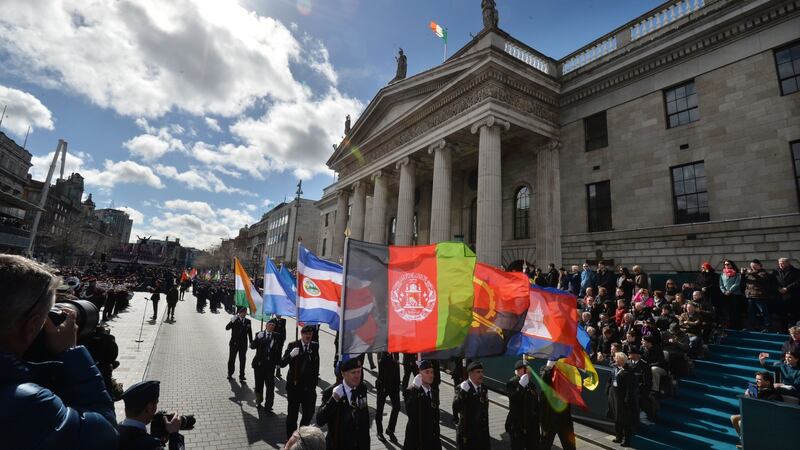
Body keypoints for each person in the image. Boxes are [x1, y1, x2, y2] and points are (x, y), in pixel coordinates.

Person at [0, 255, 118, 450]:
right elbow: (106, 433)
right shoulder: (30, 403)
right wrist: (72, 354)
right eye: (46, 318)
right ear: (30, 327)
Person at [316, 357, 370, 450]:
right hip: (339, 445)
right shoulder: (331, 392)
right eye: (353, 372)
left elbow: (365, 420)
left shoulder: (362, 388)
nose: (357, 376)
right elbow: (320, 420)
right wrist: (334, 399)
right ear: (343, 374)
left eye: (359, 371)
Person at [118, 380, 185, 450]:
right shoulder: (151, 445)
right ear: (149, 408)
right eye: (156, 404)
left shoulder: (114, 432)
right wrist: (174, 434)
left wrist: (157, 440)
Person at [282, 325, 320, 439]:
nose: (308, 336)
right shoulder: (293, 345)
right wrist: (291, 355)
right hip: (294, 387)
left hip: (308, 389)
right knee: (292, 417)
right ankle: (290, 439)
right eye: (306, 334)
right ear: (301, 334)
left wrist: (313, 385)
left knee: (309, 413)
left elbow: (316, 366)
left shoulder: (314, 346)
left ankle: (302, 435)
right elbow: (282, 363)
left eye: (310, 334)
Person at [730, 371, 783, 447]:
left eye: (759, 379)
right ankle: (743, 439)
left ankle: (747, 443)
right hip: (755, 414)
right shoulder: (756, 390)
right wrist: (747, 396)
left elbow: (766, 410)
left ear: (767, 382)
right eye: (756, 379)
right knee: (733, 418)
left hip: (766, 418)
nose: (756, 381)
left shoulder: (773, 395)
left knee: (740, 422)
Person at [403, 360, 441, 450]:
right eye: (427, 372)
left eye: (432, 372)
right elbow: (410, 412)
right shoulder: (411, 391)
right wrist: (415, 388)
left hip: (431, 439)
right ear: (420, 374)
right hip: (416, 439)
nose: (431, 375)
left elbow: (435, 418)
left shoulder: (433, 392)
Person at [453, 360, 490, 450]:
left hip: (482, 433)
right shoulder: (462, 387)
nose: (481, 374)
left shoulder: (483, 388)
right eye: (478, 372)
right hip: (468, 433)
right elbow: (456, 407)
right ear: (470, 374)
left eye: (482, 372)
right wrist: (462, 392)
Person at [539, 363, 576, 450]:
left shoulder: (565, 369)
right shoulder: (544, 368)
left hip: (564, 418)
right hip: (549, 419)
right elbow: (544, 380)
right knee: (545, 445)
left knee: (570, 446)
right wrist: (549, 366)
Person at [505, 359, 539, 450]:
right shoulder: (512, 383)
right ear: (519, 371)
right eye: (527, 370)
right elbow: (513, 399)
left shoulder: (531, 385)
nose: (529, 373)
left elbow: (535, 403)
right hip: (518, 424)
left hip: (531, 424)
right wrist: (520, 385)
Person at [251, 318, 282, 410]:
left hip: (270, 366)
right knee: (259, 385)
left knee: (270, 386)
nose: (272, 327)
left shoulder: (277, 336)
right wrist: (257, 338)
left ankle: (269, 405)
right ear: (266, 325)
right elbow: (252, 346)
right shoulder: (259, 334)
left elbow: (278, 351)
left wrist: (278, 363)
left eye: (273, 325)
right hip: (259, 365)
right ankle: (258, 401)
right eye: (270, 325)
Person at [608, 352, 637, 447]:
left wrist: (627, 398)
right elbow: (610, 380)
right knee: (616, 418)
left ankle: (626, 439)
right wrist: (608, 391)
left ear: (621, 360)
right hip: (613, 396)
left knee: (624, 419)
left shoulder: (629, 371)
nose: (614, 359)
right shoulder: (614, 368)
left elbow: (630, 387)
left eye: (616, 358)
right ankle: (618, 436)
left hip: (622, 398)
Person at [742, 259, 776, 332]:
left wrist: (752, 273)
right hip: (750, 296)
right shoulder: (749, 274)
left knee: (764, 312)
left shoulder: (764, 273)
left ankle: (768, 327)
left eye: (755, 266)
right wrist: (742, 274)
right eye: (752, 266)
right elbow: (743, 282)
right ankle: (751, 327)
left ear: (760, 266)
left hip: (760, 296)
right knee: (751, 313)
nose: (753, 268)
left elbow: (762, 279)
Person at [375, 352, 401, 441]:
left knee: (397, 406)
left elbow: (397, 368)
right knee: (380, 409)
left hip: (394, 386)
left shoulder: (396, 353)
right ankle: (379, 432)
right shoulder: (382, 352)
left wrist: (398, 383)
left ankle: (390, 430)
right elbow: (381, 364)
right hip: (383, 385)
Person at [226, 306, 253, 382]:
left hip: (243, 345)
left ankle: (242, 375)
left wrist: (251, 342)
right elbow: (227, 328)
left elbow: (249, 333)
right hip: (234, 344)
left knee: (242, 360)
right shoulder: (235, 320)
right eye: (242, 312)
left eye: (245, 312)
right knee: (232, 359)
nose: (244, 314)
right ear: (239, 313)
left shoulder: (248, 321)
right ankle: (230, 373)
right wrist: (232, 321)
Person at [773, 258, 800, 330]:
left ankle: (794, 331)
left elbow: (798, 282)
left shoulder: (796, 271)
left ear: (788, 263)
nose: (780, 265)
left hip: (793, 296)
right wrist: (778, 288)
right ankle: (783, 329)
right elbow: (772, 282)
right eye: (779, 263)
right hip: (780, 296)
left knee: (793, 315)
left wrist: (787, 288)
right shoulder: (776, 272)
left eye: (782, 263)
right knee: (782, 315)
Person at [719, 259, 743, 329]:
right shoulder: (722, 274)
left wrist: (729, 291)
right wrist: (724, 291)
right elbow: (721, 284)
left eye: (728, 264)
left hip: (735, 295)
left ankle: (737, 326)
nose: (726, 265)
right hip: (725, 295)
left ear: (731, 265)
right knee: (727, 311)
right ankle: (730, 325)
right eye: (725, 264)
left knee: (735, 310)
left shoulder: (737, 274)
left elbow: (737, 283)